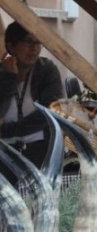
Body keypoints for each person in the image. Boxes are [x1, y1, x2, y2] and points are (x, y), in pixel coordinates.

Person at [0, 22, 64, 172]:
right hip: (4, 151)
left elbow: (49, 112)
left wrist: (7, 130)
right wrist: (10, 77)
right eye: (28, 42)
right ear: (11, 46)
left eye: (38, 43)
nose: (34, 48)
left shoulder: (46, 70)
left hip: (39, 147)